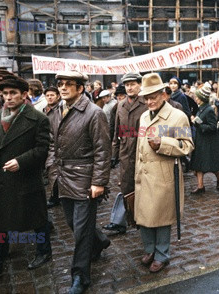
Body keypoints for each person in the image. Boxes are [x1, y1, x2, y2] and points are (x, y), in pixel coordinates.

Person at [0, 77, 52, 282]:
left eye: (13, 93)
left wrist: (21, 161)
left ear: (24, 95)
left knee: (37, 219)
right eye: (5, 94)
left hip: (25, 178)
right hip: (0, 177)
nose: (8, 97)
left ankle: (44, 251)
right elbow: (0, 141)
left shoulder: (38, 119)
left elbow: (43, 150)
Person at [46, 71, 111, 294]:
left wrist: (99, 182)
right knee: (74, 224)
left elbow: (103, 150)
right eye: (60, 84)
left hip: (85, 179)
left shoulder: (94, 113)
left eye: (68, 84)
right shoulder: (55, 111)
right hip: (62, 177)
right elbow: (52, 144)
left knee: (81, 231)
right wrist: (51, 167)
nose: (62, 88)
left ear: (80, 88)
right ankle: (100, 240)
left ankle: (80, 276)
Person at [134, 73, 194, 273]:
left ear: (163, 95)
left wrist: (164, 143)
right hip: (144, 173)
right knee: (144, 217)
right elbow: (139, 147)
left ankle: (162, 255)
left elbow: (188, 146)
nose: (149, 101)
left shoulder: (178, 116)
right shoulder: (143, 116)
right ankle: (150, 249)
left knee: (161, 217)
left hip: (163, 174)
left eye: (153, 96)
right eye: (146, 98)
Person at [104, 72, 147, 235]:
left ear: (139, 85)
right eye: (127, 84)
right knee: (126, 186)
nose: (130, 87)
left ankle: (144, 219)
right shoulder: (120, 105)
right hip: (125, 153)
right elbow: (116, 131)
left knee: (145, 186)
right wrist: (114, 154)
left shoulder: (146, 103)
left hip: (143, 150)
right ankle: (127, 219)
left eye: (133, 84)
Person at [189, 83, 219, 194]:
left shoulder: (208, 110)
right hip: (200, 140)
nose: (196, 99)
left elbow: (213, 126)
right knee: (199, 164)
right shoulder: (201, 108)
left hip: (207, 141)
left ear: (202, 98)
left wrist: (198, 124)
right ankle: (200, 186)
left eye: (197, 97)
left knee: (210, 165)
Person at [43, 86, 62, 208]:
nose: (49, 97)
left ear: (58, 96)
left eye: (52, 95)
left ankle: (55, 197)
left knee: (54, 172)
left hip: (56, 145)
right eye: (47, 95)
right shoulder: (45, 110)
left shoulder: (60, 110)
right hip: (47, 144)